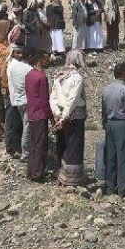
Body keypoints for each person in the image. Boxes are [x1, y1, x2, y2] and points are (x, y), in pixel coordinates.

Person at [101, 62, 125, 198]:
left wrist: (105, 124)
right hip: (123, 125)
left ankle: (110, 187)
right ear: (123, 74)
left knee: (110, 156)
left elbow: (103, 110)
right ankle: (123, 190)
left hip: (110, 124)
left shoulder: (106, 89)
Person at [50, 50, 87, 186]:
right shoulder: (76, 77)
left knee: (62, 144)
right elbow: (72, 99)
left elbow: (53, 97)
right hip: (73, 117)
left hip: (60, 114)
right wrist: (64, 117)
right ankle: (71, 180)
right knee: (74, 146)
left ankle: (61, 175)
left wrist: (57, 114)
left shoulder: (59, 75)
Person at [25, 51, 53, 182]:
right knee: (40, 144)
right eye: (47, 59)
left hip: (32, 112)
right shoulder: (41, 77)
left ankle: (31, 170)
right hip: (40, 114)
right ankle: (37, 172)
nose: (49, 61)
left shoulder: (29, 75)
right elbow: (44, 100)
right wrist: (51, 117)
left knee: (33, 143)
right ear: (41, 60)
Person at [7, 46, 33, 161]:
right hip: (24, 101)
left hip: (17, 101)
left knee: (23, 126)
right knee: (27, 127)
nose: (20, 55)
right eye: (18, 53)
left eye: (21, 53)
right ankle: (25, 153)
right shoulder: (23, 68)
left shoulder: (13, 66)